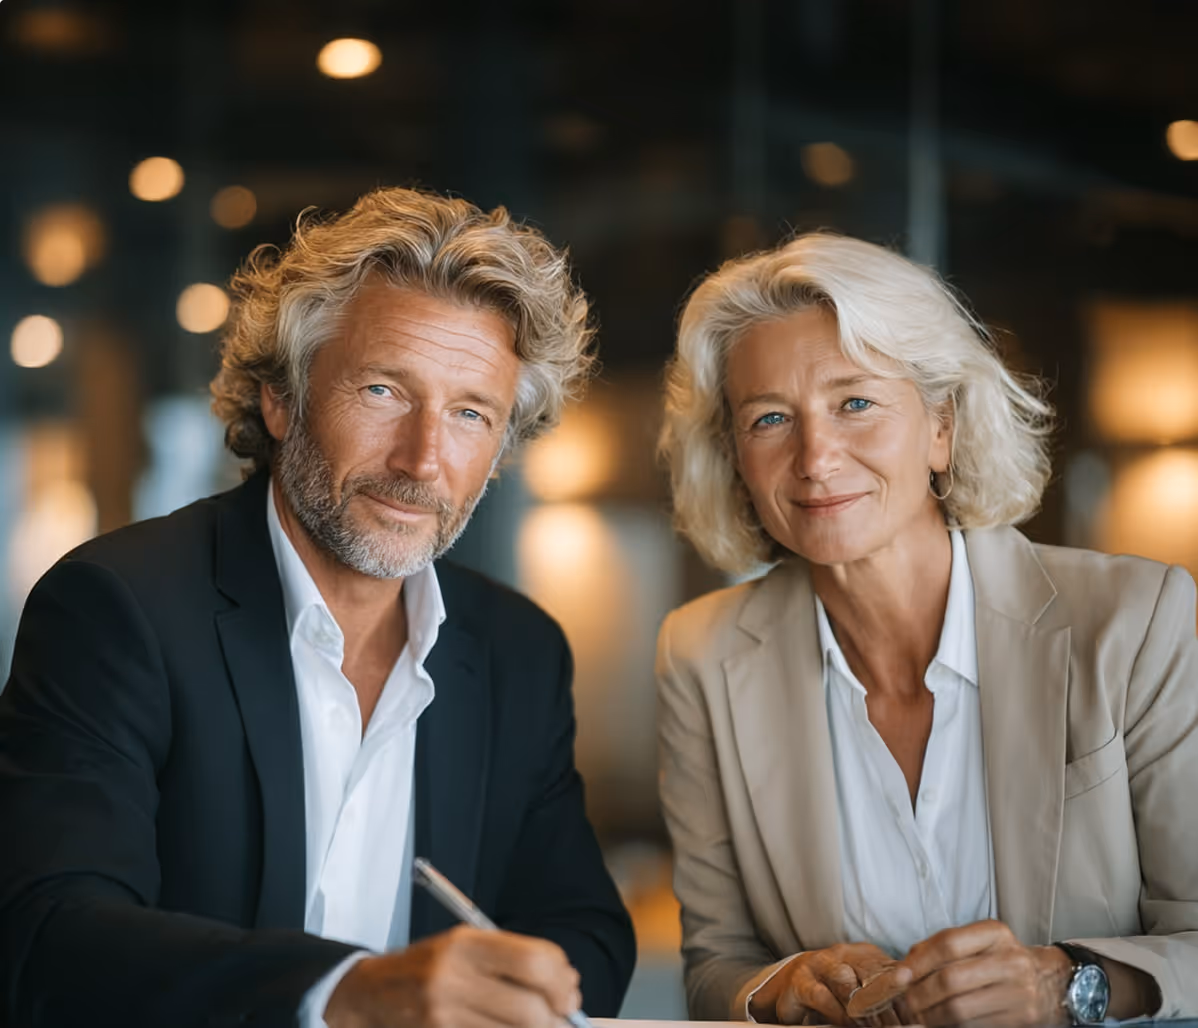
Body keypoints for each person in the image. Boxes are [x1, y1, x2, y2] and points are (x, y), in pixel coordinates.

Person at [0, 187, 636, 1028]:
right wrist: (344, 994)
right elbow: (49, 938)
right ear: (281, 397)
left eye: (470, 414)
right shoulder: (119, 608)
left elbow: (584, 931)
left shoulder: (518, 648)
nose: (422, 460)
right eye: (382, 391)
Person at [655, 232, 1198, 1026]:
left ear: (941, 426)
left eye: (855, 403)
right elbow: (715, 971)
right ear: (736, 457)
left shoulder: (1134, 620)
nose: (815, 457)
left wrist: (1069, 984)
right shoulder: (698, 651)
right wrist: (781, 985)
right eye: (770, 418)